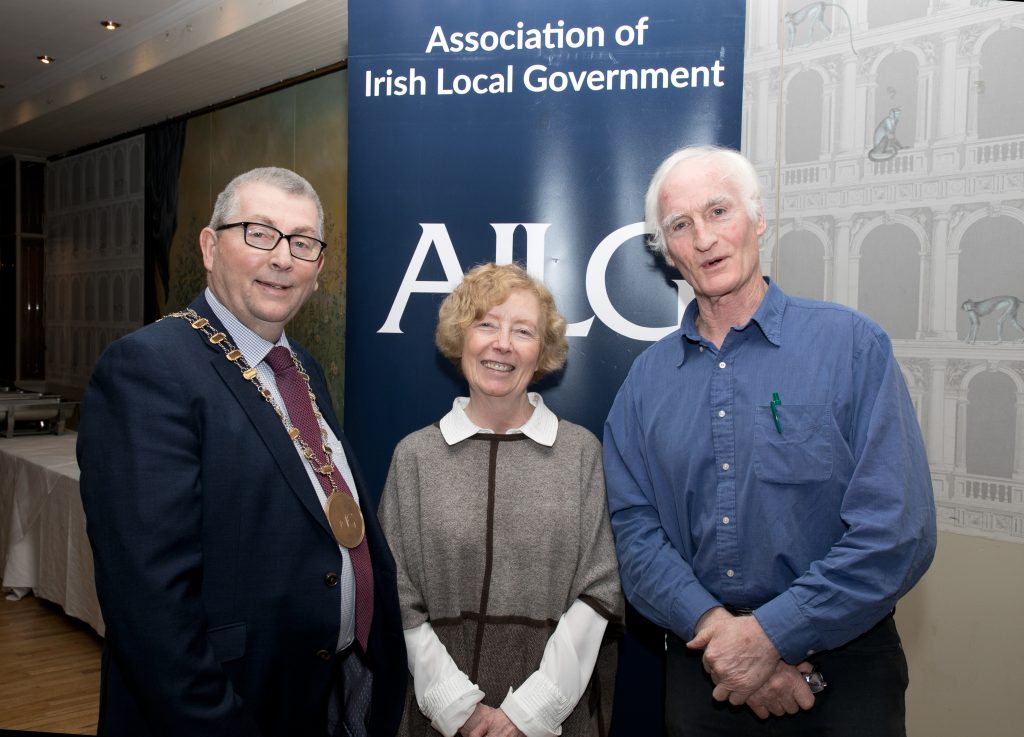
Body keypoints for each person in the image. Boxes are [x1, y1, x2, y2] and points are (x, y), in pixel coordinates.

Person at [603, 146, 936, 736]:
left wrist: (774, 633)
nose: (704, 238)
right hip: (701, 667)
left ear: (758, 218)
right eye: (681, 225)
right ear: (667, 251)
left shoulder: (853, 347)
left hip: (846, 665)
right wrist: (718, 631)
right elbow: (635, 535)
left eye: (719, 211)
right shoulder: (644, 384)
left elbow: (896, 530)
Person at [78, 167, 406, 737]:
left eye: (302, 242)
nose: (282, 258)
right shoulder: (148, 367)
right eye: (259, 233)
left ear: (318, 267)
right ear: (210, 247)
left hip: (315, 694)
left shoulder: (302, 367)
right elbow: (149, 604)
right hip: (221, 709)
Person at [378, 263, 622, 737]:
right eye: (486, 324)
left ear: (543, 352)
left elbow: (601, 589)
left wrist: (526, 715)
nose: (502, 344)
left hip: (557, 720)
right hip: (438, 721)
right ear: (460, 337)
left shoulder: (579, 454)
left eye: (523, 331)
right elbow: (396, 596)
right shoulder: (415, 457)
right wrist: (458, 709)